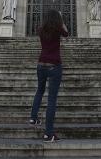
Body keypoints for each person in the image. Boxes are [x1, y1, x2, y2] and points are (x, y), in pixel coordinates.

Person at [29, 9, 69, 143]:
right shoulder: (58, 28)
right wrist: (61, 19)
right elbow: (66, 33)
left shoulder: (41, 29)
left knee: (39, 91)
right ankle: (48, 133)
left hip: (41, 64)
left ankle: (33, 118)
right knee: (51, 99)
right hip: (54, 65)